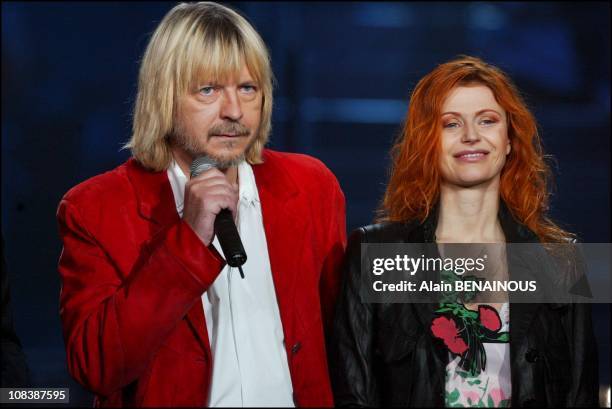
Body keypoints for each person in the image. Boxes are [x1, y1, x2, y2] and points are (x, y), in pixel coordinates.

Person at [56, 2, 346, 407]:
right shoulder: (96, 208)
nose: (233, 111)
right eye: (208, 90)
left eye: (247, 88)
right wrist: (187, 241)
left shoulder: (312, 186)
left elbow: (344, 341)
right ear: (165, 97)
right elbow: (96, 366)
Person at [329, 56, 598, 407]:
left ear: (509, 140)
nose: (471, 136)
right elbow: (353, 393)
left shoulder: (562, 261)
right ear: (428, 142)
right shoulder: (377, 251)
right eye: (451, 124)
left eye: (487, 121)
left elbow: (581, 395)